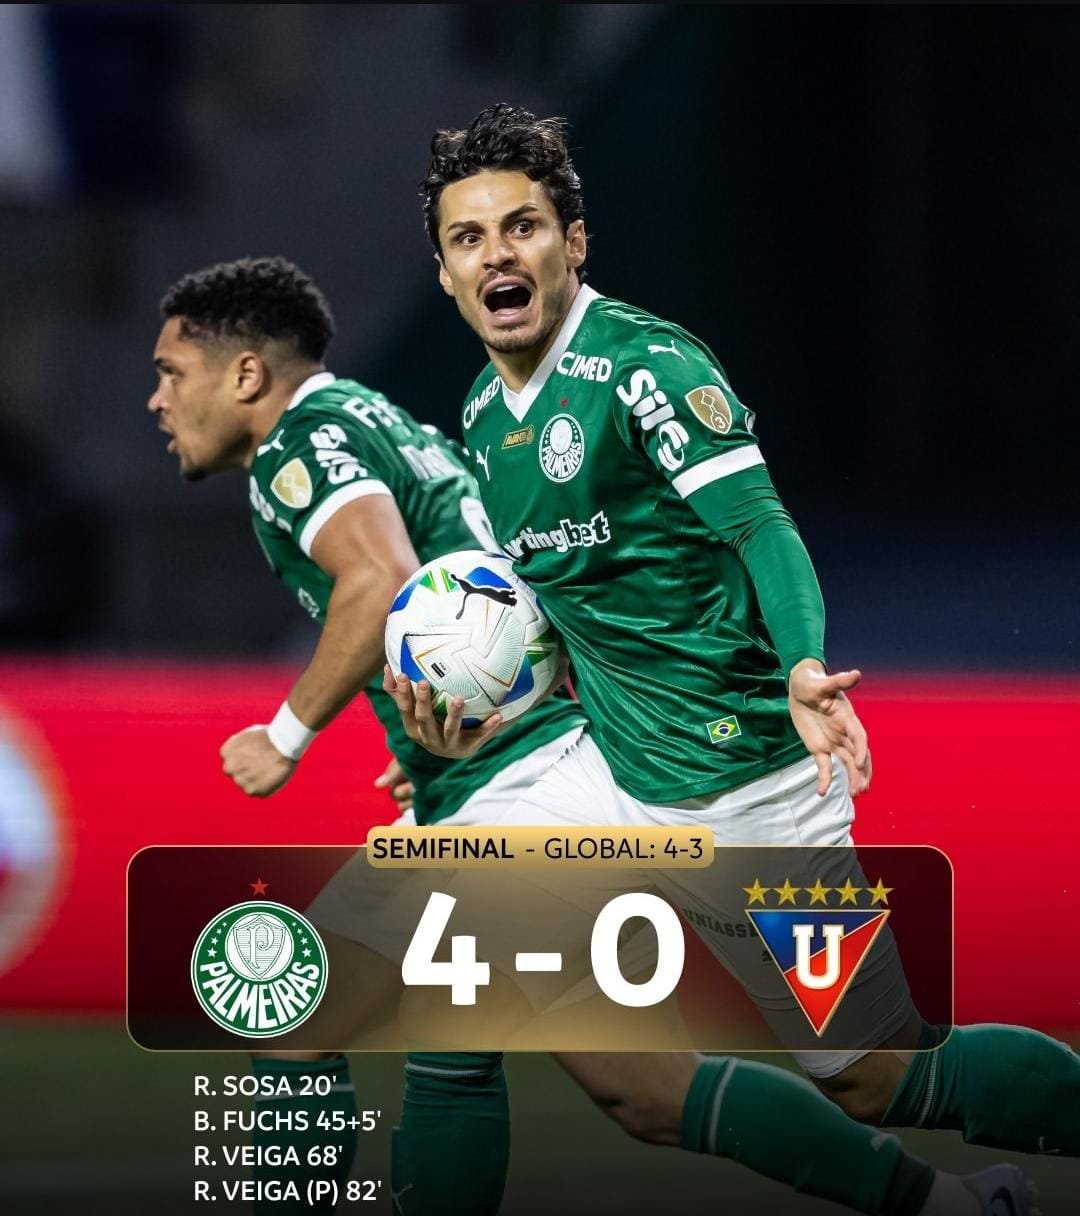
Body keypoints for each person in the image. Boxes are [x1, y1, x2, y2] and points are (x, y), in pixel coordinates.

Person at [148, 256, 1030, 1216]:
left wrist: (286, 735)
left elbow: (383, 581)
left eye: (171, 373)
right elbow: (486, 592)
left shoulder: (299, 447)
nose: (157, 399)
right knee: (648, 1094)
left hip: (514, 787)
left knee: (303, 1020)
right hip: (532, 761)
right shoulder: (375, 417)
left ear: (246, 374)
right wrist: (440, 743)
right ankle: (952, 1203)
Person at [402, 100, 1080, 1205]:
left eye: (522, 227)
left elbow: (760, 525)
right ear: (444, 274)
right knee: (449, 955)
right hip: (605, 778)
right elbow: (561, 611)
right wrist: (470, 718)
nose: (497, 255)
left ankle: (959, 1197)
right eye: (468, 238)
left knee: (877, 1075)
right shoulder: (483, 411)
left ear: (574, 242)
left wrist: (805, 665)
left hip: (746, 790)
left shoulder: (646, 367)